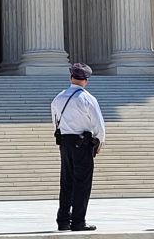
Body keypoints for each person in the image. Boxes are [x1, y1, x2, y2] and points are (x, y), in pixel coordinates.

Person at [51, 62, 105, 232]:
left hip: (65, 142)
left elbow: (55, 122)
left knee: (66, 182)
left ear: (71, 78)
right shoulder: (87, 98)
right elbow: (99, 125)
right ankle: (78, 221)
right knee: (82, 183)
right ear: (86, 80)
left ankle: (63, 220)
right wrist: (99, 142)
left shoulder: (58, 98)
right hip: (83, 144)